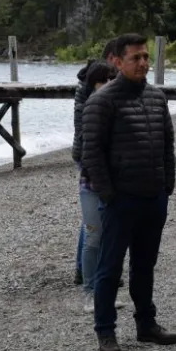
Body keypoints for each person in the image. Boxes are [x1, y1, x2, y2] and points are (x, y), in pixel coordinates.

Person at [82, 33, 176, 351]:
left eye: (145, 57)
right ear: (118, 62)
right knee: (110, 267)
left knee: (145, 265)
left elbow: (167, 141)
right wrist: (108, 195)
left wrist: (168, 183)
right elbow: (91, 152)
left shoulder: (156, 97)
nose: (142, 63)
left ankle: (146, 324)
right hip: (121, 198)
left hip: (153, 196)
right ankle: (105, 331)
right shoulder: (102, 100)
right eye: (135, 58)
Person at [72, 39, 118, 286]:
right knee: (93, 229)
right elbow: (87, 135)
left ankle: (98, 277)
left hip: (106, 169)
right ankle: (85, 274)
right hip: (89, 168)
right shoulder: (87, 94)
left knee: (101, 227)